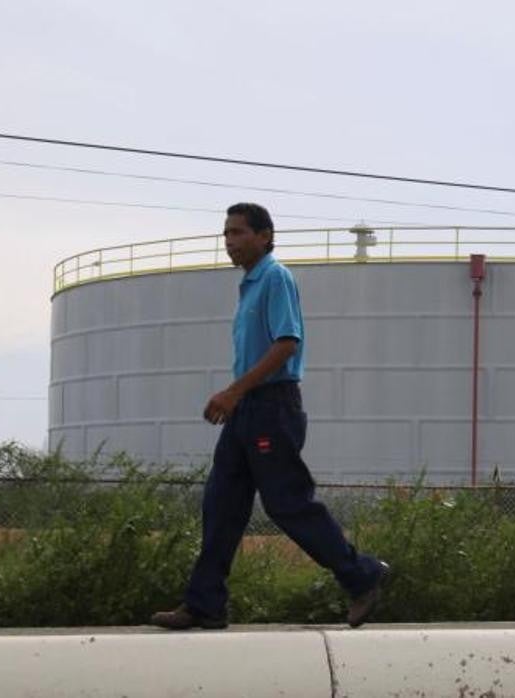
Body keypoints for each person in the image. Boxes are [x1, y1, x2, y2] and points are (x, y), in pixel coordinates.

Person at [151, 203, 388, 630]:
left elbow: (285, 345)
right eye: (226, 234)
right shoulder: (249, 286)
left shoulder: (275, 278)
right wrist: (237, 398)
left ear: (264, 236)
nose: (230, 241)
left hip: (271, 407)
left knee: (287, 503)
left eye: (239, 233)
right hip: (248, 409)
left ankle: (361, 575)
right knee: (220, 505)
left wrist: (233, 391)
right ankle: (205, 604)